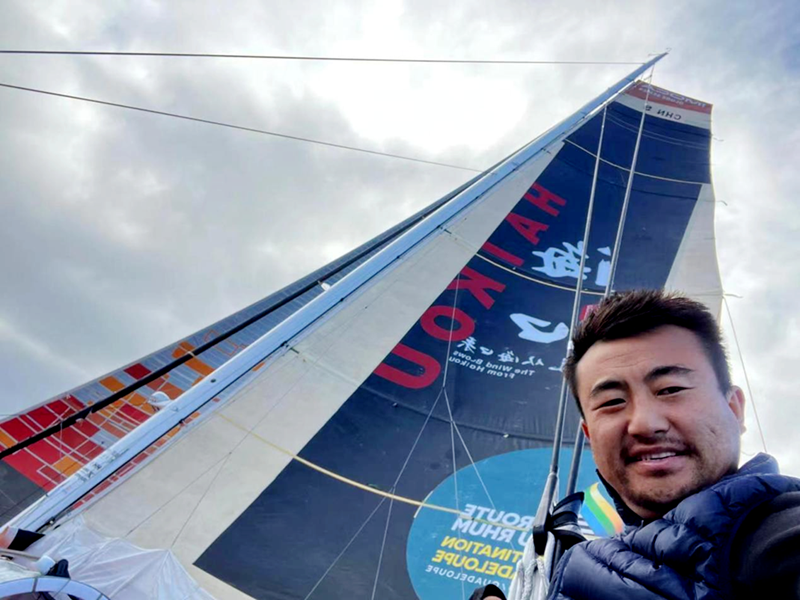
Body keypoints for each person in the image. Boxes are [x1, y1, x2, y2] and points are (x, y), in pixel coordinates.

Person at [546, 290, 800, 599]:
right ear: (590, 435)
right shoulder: (597, 563)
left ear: (734, 408)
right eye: (612, 402)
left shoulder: (778, 537)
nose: (644, 424)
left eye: (670, 389)